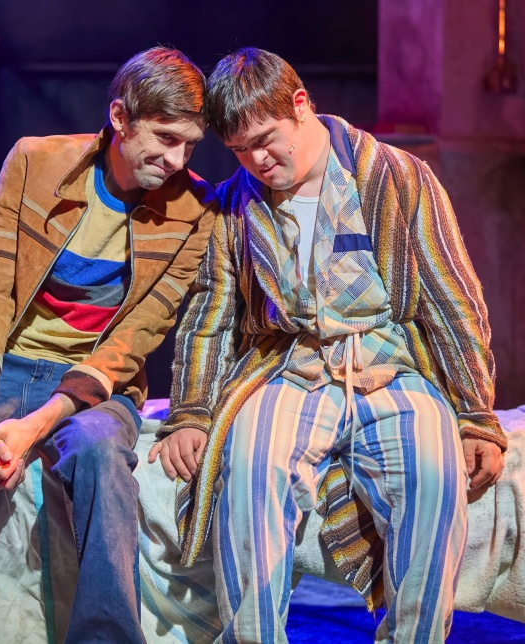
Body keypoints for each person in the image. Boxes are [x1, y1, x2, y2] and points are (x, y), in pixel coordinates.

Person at [150, 48, 506, 643]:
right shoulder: (236, 205)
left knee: (434, 475)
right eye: (239, 150)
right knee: (248, 467)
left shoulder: (395, 176)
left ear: (300, 104)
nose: (258, 160)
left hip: (390, 363)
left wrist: (474, 415)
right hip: (288, 365)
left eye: (266, 140)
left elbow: (452, 297)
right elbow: (210, 313)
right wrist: (189, 412)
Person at [0, 46, 217, 643]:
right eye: (164, 137)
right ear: (120, 116)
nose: (176, 158)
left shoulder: (196, 208)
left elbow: (136, 339)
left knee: (102, 456)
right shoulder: (34, 161)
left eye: (189, 143)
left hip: (94, 384)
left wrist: (33, 428)